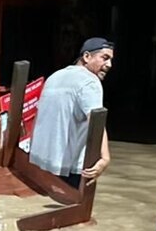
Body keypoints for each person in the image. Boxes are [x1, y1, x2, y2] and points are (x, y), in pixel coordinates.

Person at [28, 37, 113, 187]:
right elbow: (96, 122)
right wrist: (105, 158)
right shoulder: (90, 81)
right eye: (104, 58)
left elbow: (38, 118)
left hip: (40, 164)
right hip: (68, 170)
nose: (109, 65)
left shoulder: (54, 77)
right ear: (87, 56)